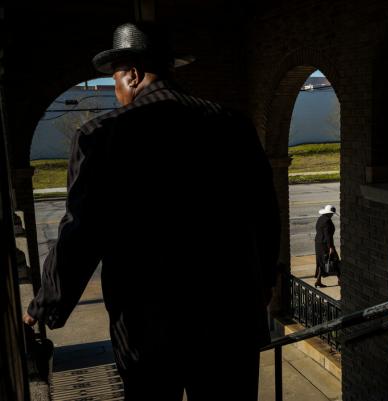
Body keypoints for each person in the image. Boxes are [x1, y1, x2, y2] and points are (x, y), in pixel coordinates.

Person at [22, 22, 280, 401]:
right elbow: (265, 215)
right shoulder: (233, 125)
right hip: (231, 322)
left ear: (133, 75)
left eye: (116, 83)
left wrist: (44, 305)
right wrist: (262, 289)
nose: (117, 93)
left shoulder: (102, 135)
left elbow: (81, 231)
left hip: (148, 330)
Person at [314, 204, 339, 288]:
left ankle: (318, 281)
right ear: (328, 213)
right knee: (335, 260)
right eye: (331, 213)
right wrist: (331, 247)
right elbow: (328, 236)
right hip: (325, 245)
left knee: (321, 262)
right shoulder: (327, 221)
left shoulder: (320, 219)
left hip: (318, 243)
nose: (332, 215)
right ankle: (340, 280)